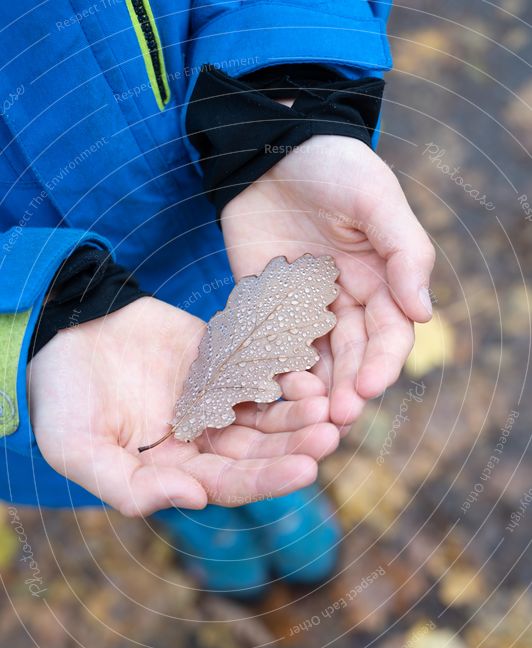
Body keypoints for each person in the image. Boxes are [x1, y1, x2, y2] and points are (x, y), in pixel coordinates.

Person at [0, 1, 434, 597]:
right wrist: (33, 314)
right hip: (39, 357)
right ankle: (190, 511)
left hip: (219, 215)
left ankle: (270, 491)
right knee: (136, 446)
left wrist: (279, 112)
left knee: (268, 418)